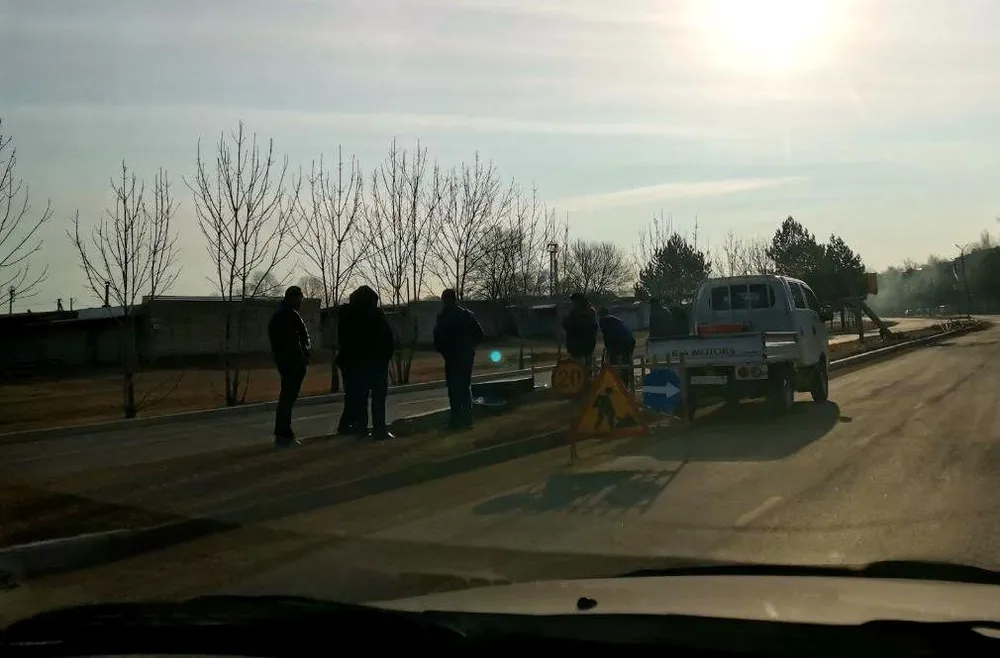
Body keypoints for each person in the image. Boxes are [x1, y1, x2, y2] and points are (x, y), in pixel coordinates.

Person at [338, 285, 395, 440]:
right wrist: (385, 356)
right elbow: (387, 337)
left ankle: (363, 429)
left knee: (360, 399)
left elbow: (344, 340)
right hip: (371, 363)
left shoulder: (347, 315)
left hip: (359, 363)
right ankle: (377, 429)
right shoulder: (373, 315)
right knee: (375, 399)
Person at [433, 289, 484, 429]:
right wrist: (470, 347)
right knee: (464, 387)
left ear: (444, 300)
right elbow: (479, 333)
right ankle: (466, 419)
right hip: (465, 356)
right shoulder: (465, 314)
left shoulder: (443, 316)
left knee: (454, 389)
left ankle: (456, 421)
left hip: (452, 356)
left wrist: (444, 350)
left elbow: (438, 337)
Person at [268, 285, 311, 447]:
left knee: (287, 398)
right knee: (287, 399)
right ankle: (283, 434)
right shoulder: (286, 315)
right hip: (291, 363)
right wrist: (300, 357)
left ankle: (283, 433)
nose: (301, 301)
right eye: (299, 298)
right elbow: (294, 341)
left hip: (289, 362)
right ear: (293, 298)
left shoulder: (284, 314)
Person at [597, 307, 636, 387]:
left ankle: (617, 383)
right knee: (626, 362)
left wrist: (608, 348)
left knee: (614, 362)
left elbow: (607, 335)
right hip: (630, 341)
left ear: (601, 315)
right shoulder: (616, 319)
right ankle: (626, 383)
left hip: (620, 342)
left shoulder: (604, 320)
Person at [561, 292, 598, 371]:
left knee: (579, 368)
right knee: (587, 366)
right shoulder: (591, 310)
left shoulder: (576, 312)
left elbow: (570, 325)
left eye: (573, 301)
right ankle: (588, 376)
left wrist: (565, 321)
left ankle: (583, 376)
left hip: (577, 345)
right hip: (589, 344)